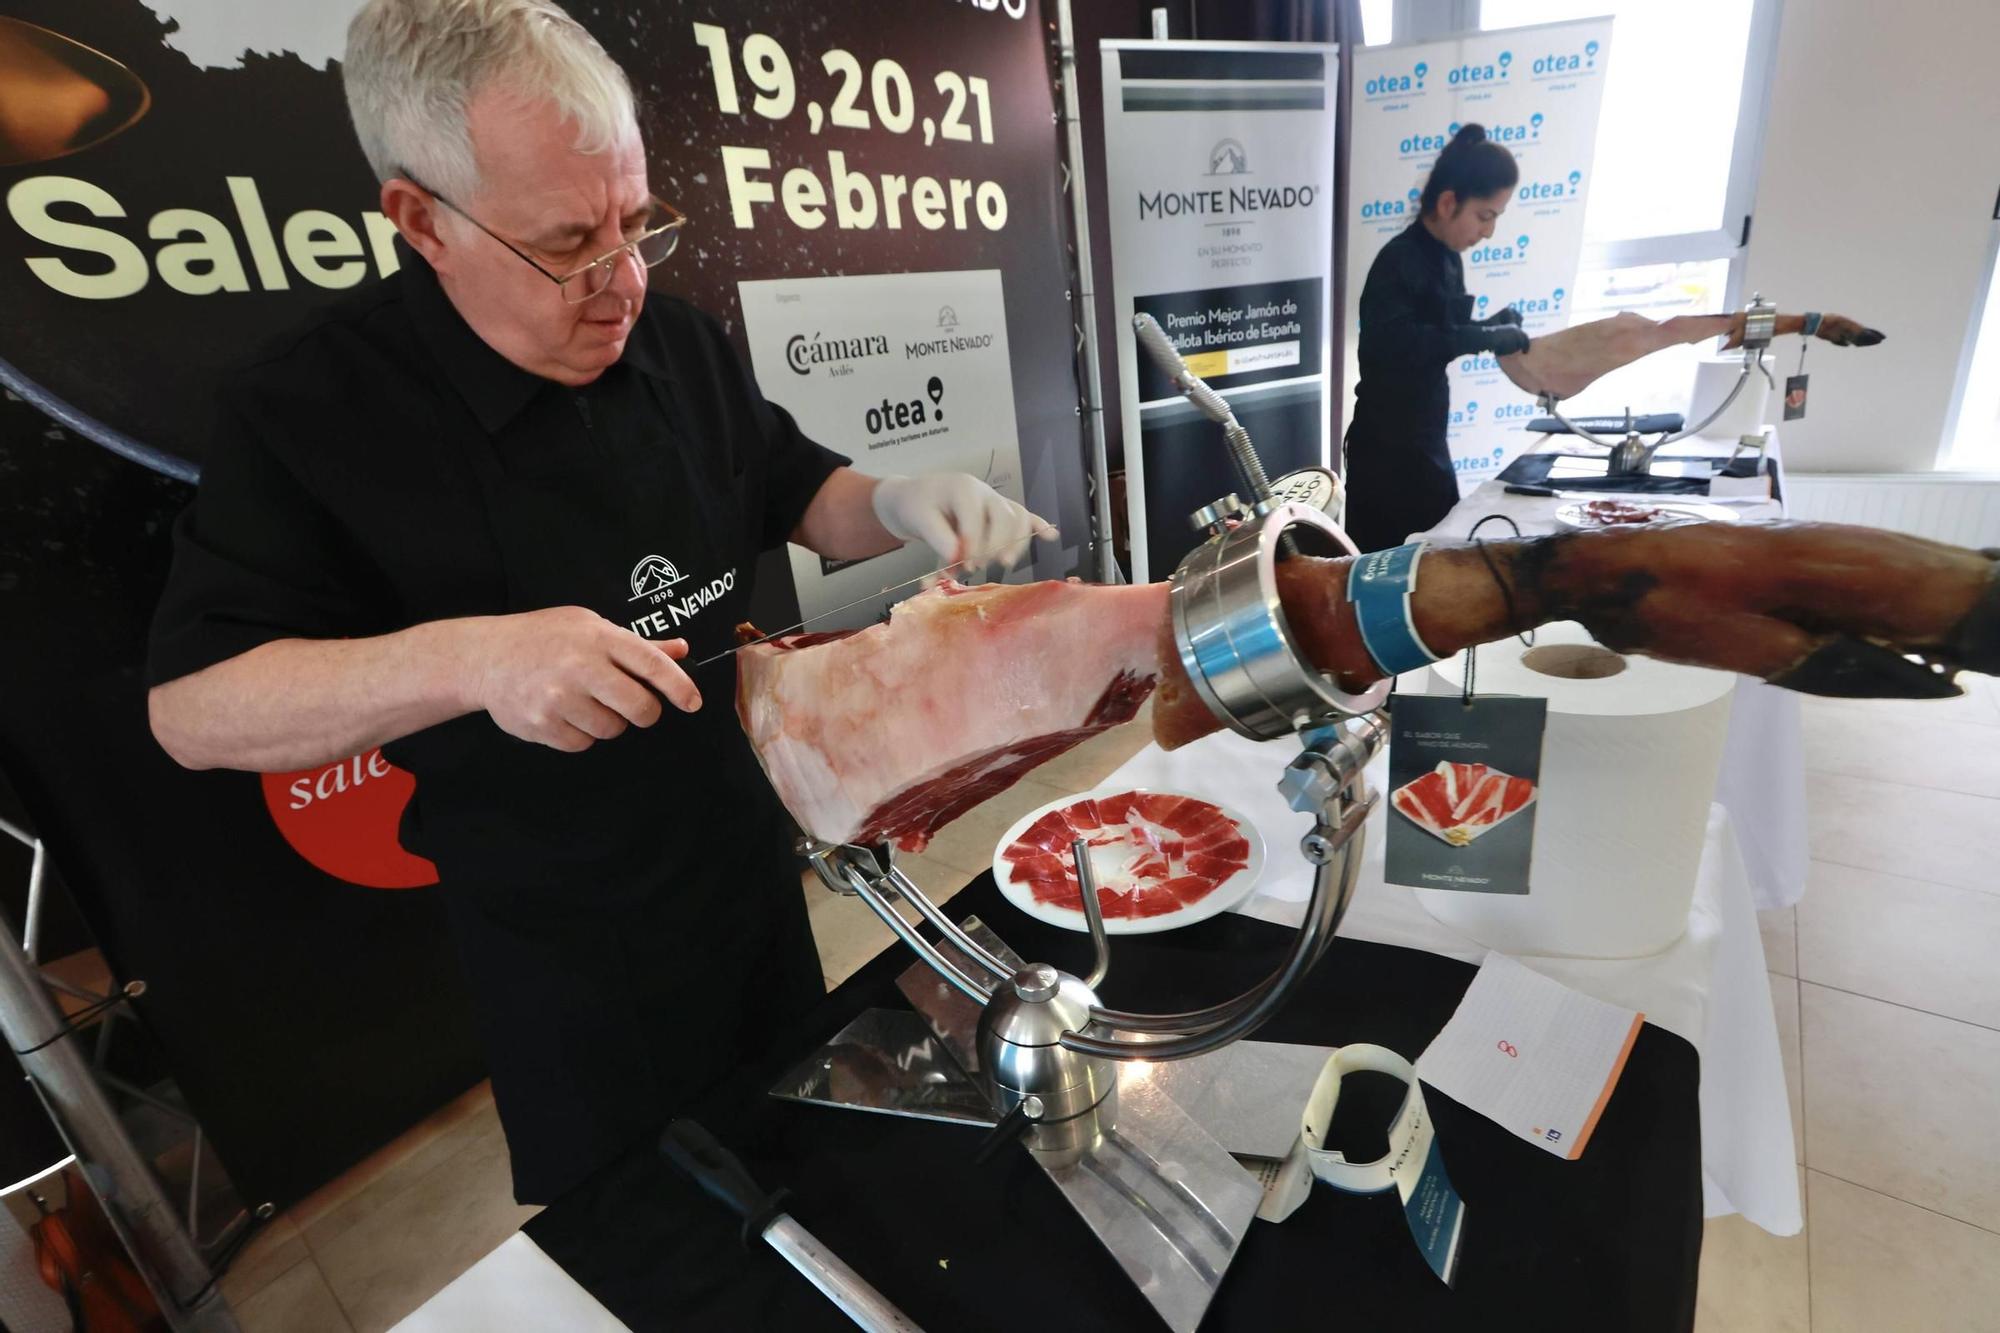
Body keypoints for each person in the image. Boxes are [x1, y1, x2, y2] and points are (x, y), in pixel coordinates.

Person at [144, 0, 1052, 1206]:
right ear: (422, 221)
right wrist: (476, 660)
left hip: (747, 866)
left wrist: (896, 501)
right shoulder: (310, 409)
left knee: (808, 1170)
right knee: (656, 1228)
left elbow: (794, 489)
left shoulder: (672, 339)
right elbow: (194, 710)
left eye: (636, 223)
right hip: (567, 950)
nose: (619, 280)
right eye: (568, 243)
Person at [1344, 124, 1528, 553]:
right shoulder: (1398, 262)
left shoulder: (1447, 258)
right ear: (1449, 203)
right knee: (1384, 569)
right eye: (1485, 216)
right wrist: (1484, 336)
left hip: (1426, 440)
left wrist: (1489, 326)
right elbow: (1405, 346)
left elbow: (1443, 332)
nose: (1488, 233)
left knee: (1438, 560)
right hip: (1387, 454)